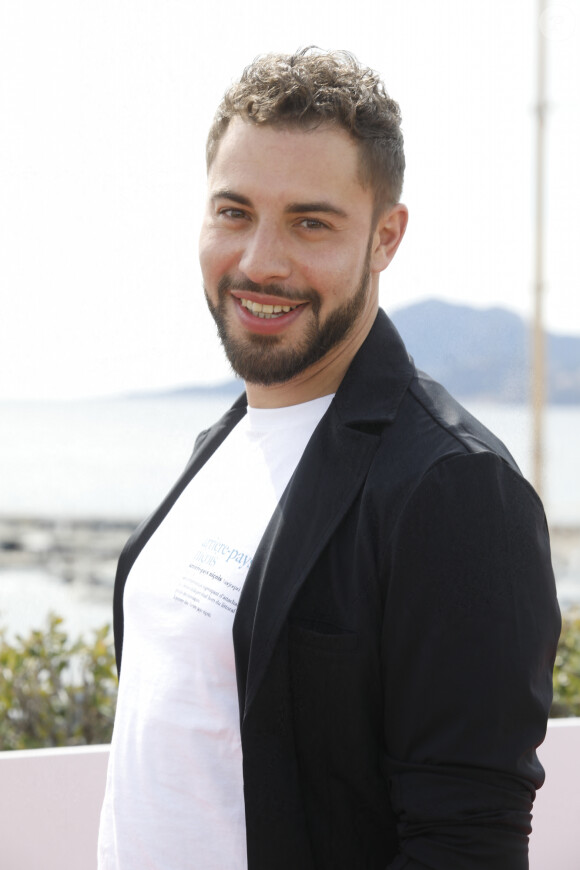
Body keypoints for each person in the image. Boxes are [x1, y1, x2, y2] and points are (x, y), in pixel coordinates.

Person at [98, 48, 561, 870]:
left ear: (386, 237)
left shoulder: (453, 487)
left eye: (311, 222)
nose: (260, 261)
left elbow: (465, 842)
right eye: (234, 212)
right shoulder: (225, 441)